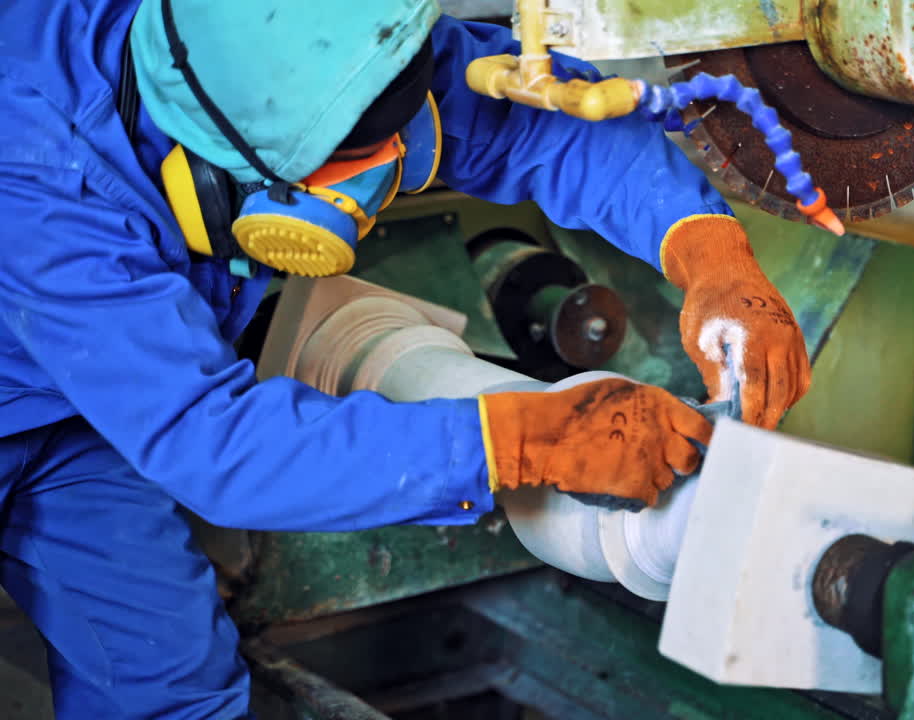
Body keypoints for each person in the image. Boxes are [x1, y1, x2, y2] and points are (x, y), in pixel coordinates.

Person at [0, 0, 812, 716]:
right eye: (345, 176)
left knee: (166, 680)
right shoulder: (44, 182)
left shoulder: (332, 47)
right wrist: (523, 441)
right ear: (220, 172)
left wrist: (710, 252)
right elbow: (212, 441)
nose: (388, 172)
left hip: (82, 415)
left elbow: (541, 129)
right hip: (70, 387)